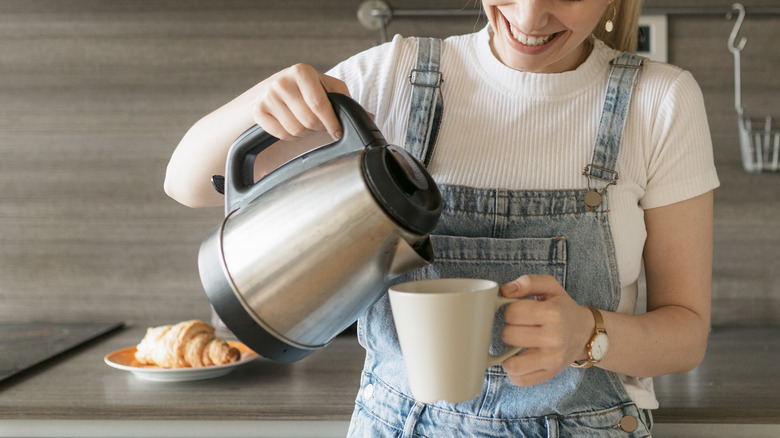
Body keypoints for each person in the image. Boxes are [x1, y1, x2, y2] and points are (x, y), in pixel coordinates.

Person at [165, 0, 719, 436]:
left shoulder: (660, 100)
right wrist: (265, 99)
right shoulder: (393, 76)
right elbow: (186, 182)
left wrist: (588, 334)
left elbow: (686, 334)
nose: (528, 16)